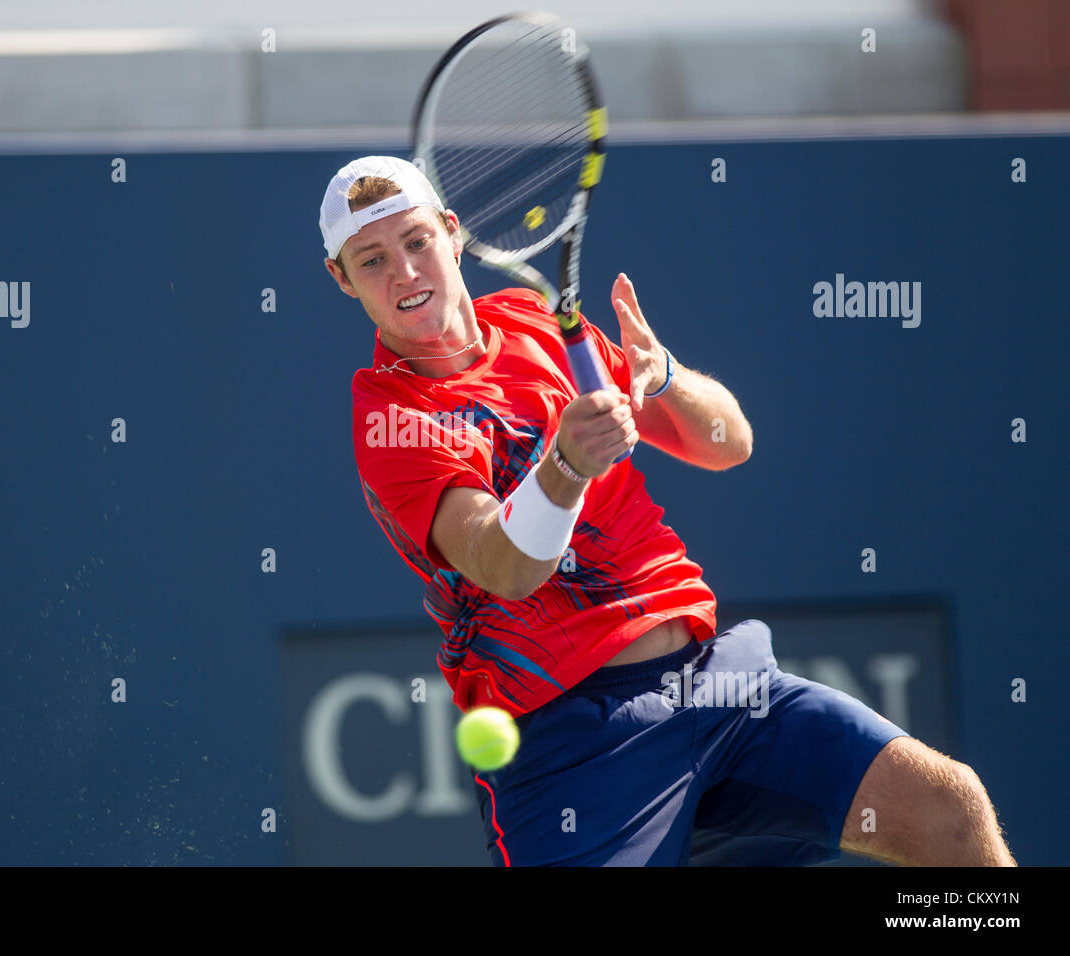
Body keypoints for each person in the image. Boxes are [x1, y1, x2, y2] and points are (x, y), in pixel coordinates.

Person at [322, 154, 1015, 867]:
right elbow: (502, 567)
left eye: (416, 242)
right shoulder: (390, 419)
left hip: (719, 688)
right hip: (573, 752)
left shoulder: (532, 322)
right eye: (371, 260)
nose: (405, 273)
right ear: (341, 279)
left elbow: (729, 443)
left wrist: (667, 378)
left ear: (452, 233)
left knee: (948, 810)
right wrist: (566, 467)